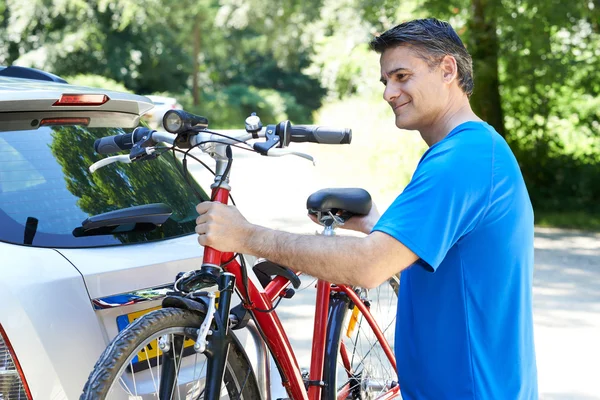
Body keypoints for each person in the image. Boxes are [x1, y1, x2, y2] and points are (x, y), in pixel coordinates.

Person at [195, 18, 538, 400]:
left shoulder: (463, 159)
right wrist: (377, 224)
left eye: (402, 76)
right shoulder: (472, 150)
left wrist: (247, 235)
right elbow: (454, 263)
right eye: (385, 81)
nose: (390, 92)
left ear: (447, 69)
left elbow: (370, 266)